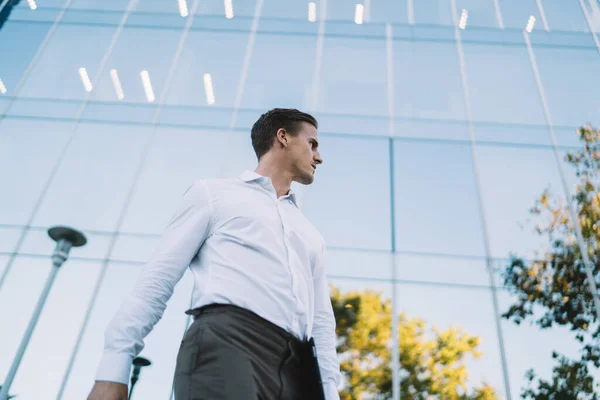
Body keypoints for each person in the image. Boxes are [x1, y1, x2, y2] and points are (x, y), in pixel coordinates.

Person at [87, 108, 342, 399]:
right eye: (313, 144)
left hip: (299, 370)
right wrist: (114, 366)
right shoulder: (213, 195)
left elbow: (321, 321)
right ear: (283, 137)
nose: (319, 156)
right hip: (229, 345)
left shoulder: (310, 234)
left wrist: (329, 389)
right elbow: (158, 279)